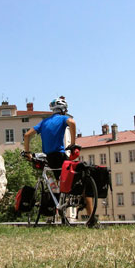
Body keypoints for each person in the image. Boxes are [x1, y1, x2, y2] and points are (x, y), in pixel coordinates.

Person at [23, 96, 95, 226]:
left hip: (50, 158)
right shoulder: (62, 118)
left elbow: (27, 135)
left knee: (58, 184)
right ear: (63, 109)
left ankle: (57, 212)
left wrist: (27, 153)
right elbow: (72, 123)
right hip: (60, 156)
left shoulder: (44, 122)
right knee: (83, 181)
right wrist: (73, 144)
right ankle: (91, 219)